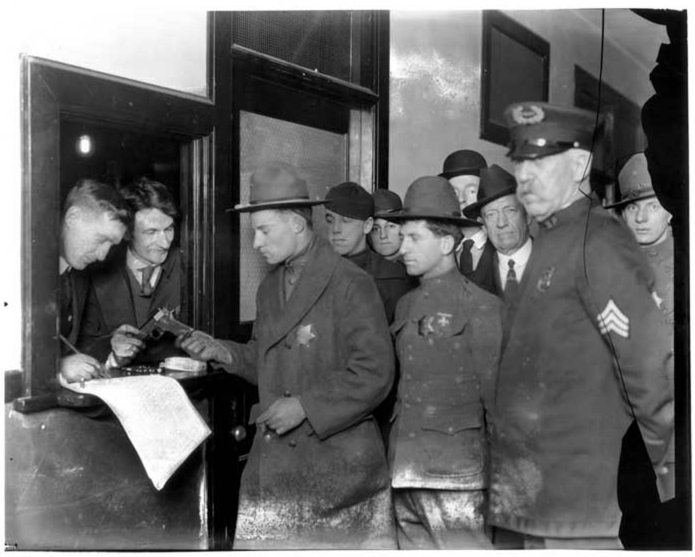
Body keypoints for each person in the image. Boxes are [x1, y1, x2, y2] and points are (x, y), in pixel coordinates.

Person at [177, 162, 396, 549]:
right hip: (276, 463)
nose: (257, 243)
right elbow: (265, 357)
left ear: (296, 223)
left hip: (336, 469)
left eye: (263, 231)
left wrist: (305, 406)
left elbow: (375, 373)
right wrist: (222, 351)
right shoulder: (270, 287)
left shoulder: (351, 283)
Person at [486, 101, 675, 549]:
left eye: (541, 164)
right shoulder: (553, 243)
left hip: (594, 480)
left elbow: (647, 368)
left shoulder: (599, 243)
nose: (526, 177)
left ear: (579, 166)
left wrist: (667, 477)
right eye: (521, 164)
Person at [386, 175, 503, 549]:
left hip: (457, 476)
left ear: (448, 242)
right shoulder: (405, 304)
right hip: (404, 470)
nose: (403, 247)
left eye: (414, 237)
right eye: (402, 236)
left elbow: (500, 406)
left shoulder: (484, 308)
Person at [606, 152, 676, 549]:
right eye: (633, 207)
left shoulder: (688, 265)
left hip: (680, 422)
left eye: (653, 205)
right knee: (636, 524)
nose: (642, 217)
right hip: (630, 423)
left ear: (671, 211)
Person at [77, 178, 184, 368]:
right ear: (126, 233)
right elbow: (80, 346)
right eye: (151, 232)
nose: (165, 242)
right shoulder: (95, 273)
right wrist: (111, 347)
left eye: (168, 229)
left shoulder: (191, 267)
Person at [58, 179, 130, 383]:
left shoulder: (79, 276)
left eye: (111, 245)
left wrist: (113, 346)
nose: (102, 255)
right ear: (73, 217)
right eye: (101, 240)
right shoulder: (18, 271)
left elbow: (79, 347)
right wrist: (59, 368)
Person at [325, 181, 415, 323]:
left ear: (367, 225)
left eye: (346, 221)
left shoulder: (394, 278)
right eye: (330, 220)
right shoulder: (316, 271)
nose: (336, 229)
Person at [463, 164, 532, 308]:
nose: (501, 223)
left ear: (528, 216)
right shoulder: (472, 284)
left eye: (510, 210)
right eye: (491, 215)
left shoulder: (562, 263)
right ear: (483, 225)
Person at [439, 149, 496, 292]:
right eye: (454, 192)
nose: (461, 199)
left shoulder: (503, 245)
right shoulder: (438, 249)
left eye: (471, 191)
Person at [369, 189, 404, 262]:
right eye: (375, 229)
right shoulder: (357, 270)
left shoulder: (420, 266)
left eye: (391, 226)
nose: (383, 236)